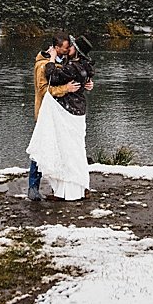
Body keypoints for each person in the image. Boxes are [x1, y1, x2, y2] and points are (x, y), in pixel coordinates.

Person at [26, 32, 95, 201]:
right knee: (43, 146)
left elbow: (75, 74)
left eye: (69, 47)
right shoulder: (42, 66)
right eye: (65, 47)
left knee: (63, 150)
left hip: (62, 113)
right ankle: (33, 187)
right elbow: (43, 90)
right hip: (47, 113)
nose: (68, 49)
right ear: (56, 48)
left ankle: (66, 186)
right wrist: (66, 89)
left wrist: (86, 84)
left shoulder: (66, 62)